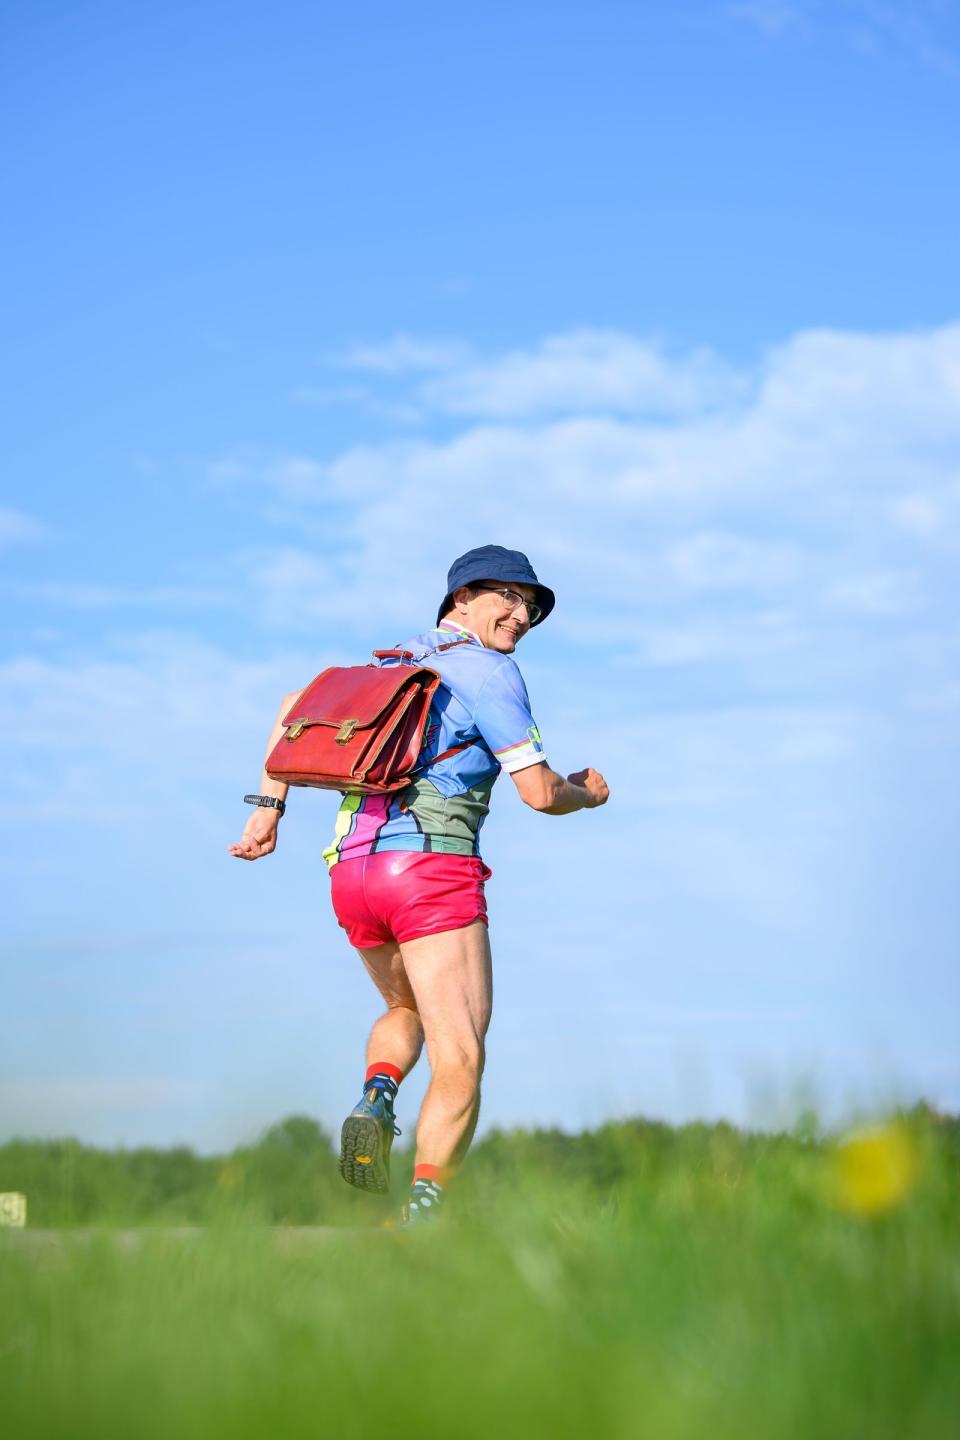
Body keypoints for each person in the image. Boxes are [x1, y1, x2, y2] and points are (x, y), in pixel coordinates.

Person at [229, 545, 609, 1225]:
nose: (522, 616)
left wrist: (267, 814)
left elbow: (293, 706)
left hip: (352, 874)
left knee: (407, 1010)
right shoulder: (489, 673)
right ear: (461, 597)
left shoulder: (388, 661)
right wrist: (584, 792)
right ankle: (426, 1213)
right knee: (461, 1052)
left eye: (532, 609)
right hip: (431, 870)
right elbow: (538, 794)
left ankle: (375, 1096)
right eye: (509, 598)